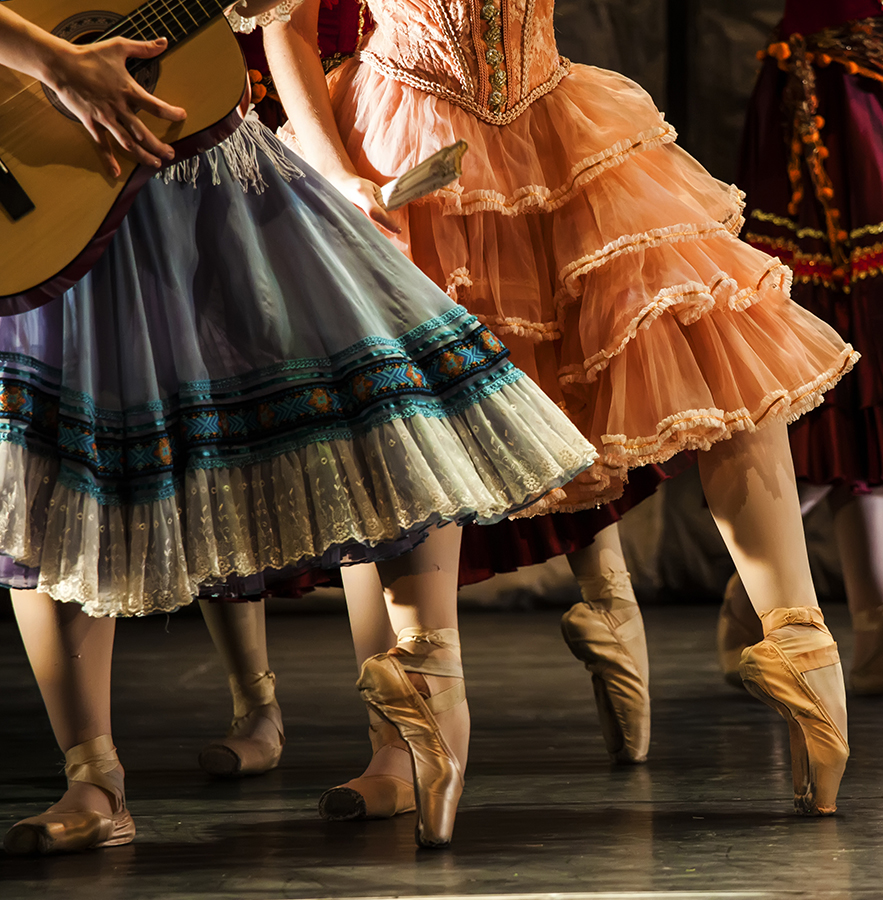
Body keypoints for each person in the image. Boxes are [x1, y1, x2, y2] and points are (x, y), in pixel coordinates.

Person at [221, 0, 861, 827]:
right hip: (402, 124)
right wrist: (331, 163)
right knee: (408, 393)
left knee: (707, 336)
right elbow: (289, 24)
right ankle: (414, 712)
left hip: (555, 118)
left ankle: (801, 647)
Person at [0, 4, 598, 853]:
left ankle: (416, 717)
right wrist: (53, 60)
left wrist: (326, 151)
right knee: (49, 467)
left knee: (373, 390)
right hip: (52, 172)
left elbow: (275, 21)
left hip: (209, 168)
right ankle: (93, 779)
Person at [718, 0, 883, 695]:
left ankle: (881, 629)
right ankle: (761, 601)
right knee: (840, 366)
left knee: (881, 393)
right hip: (831, 93)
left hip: (879, 78)